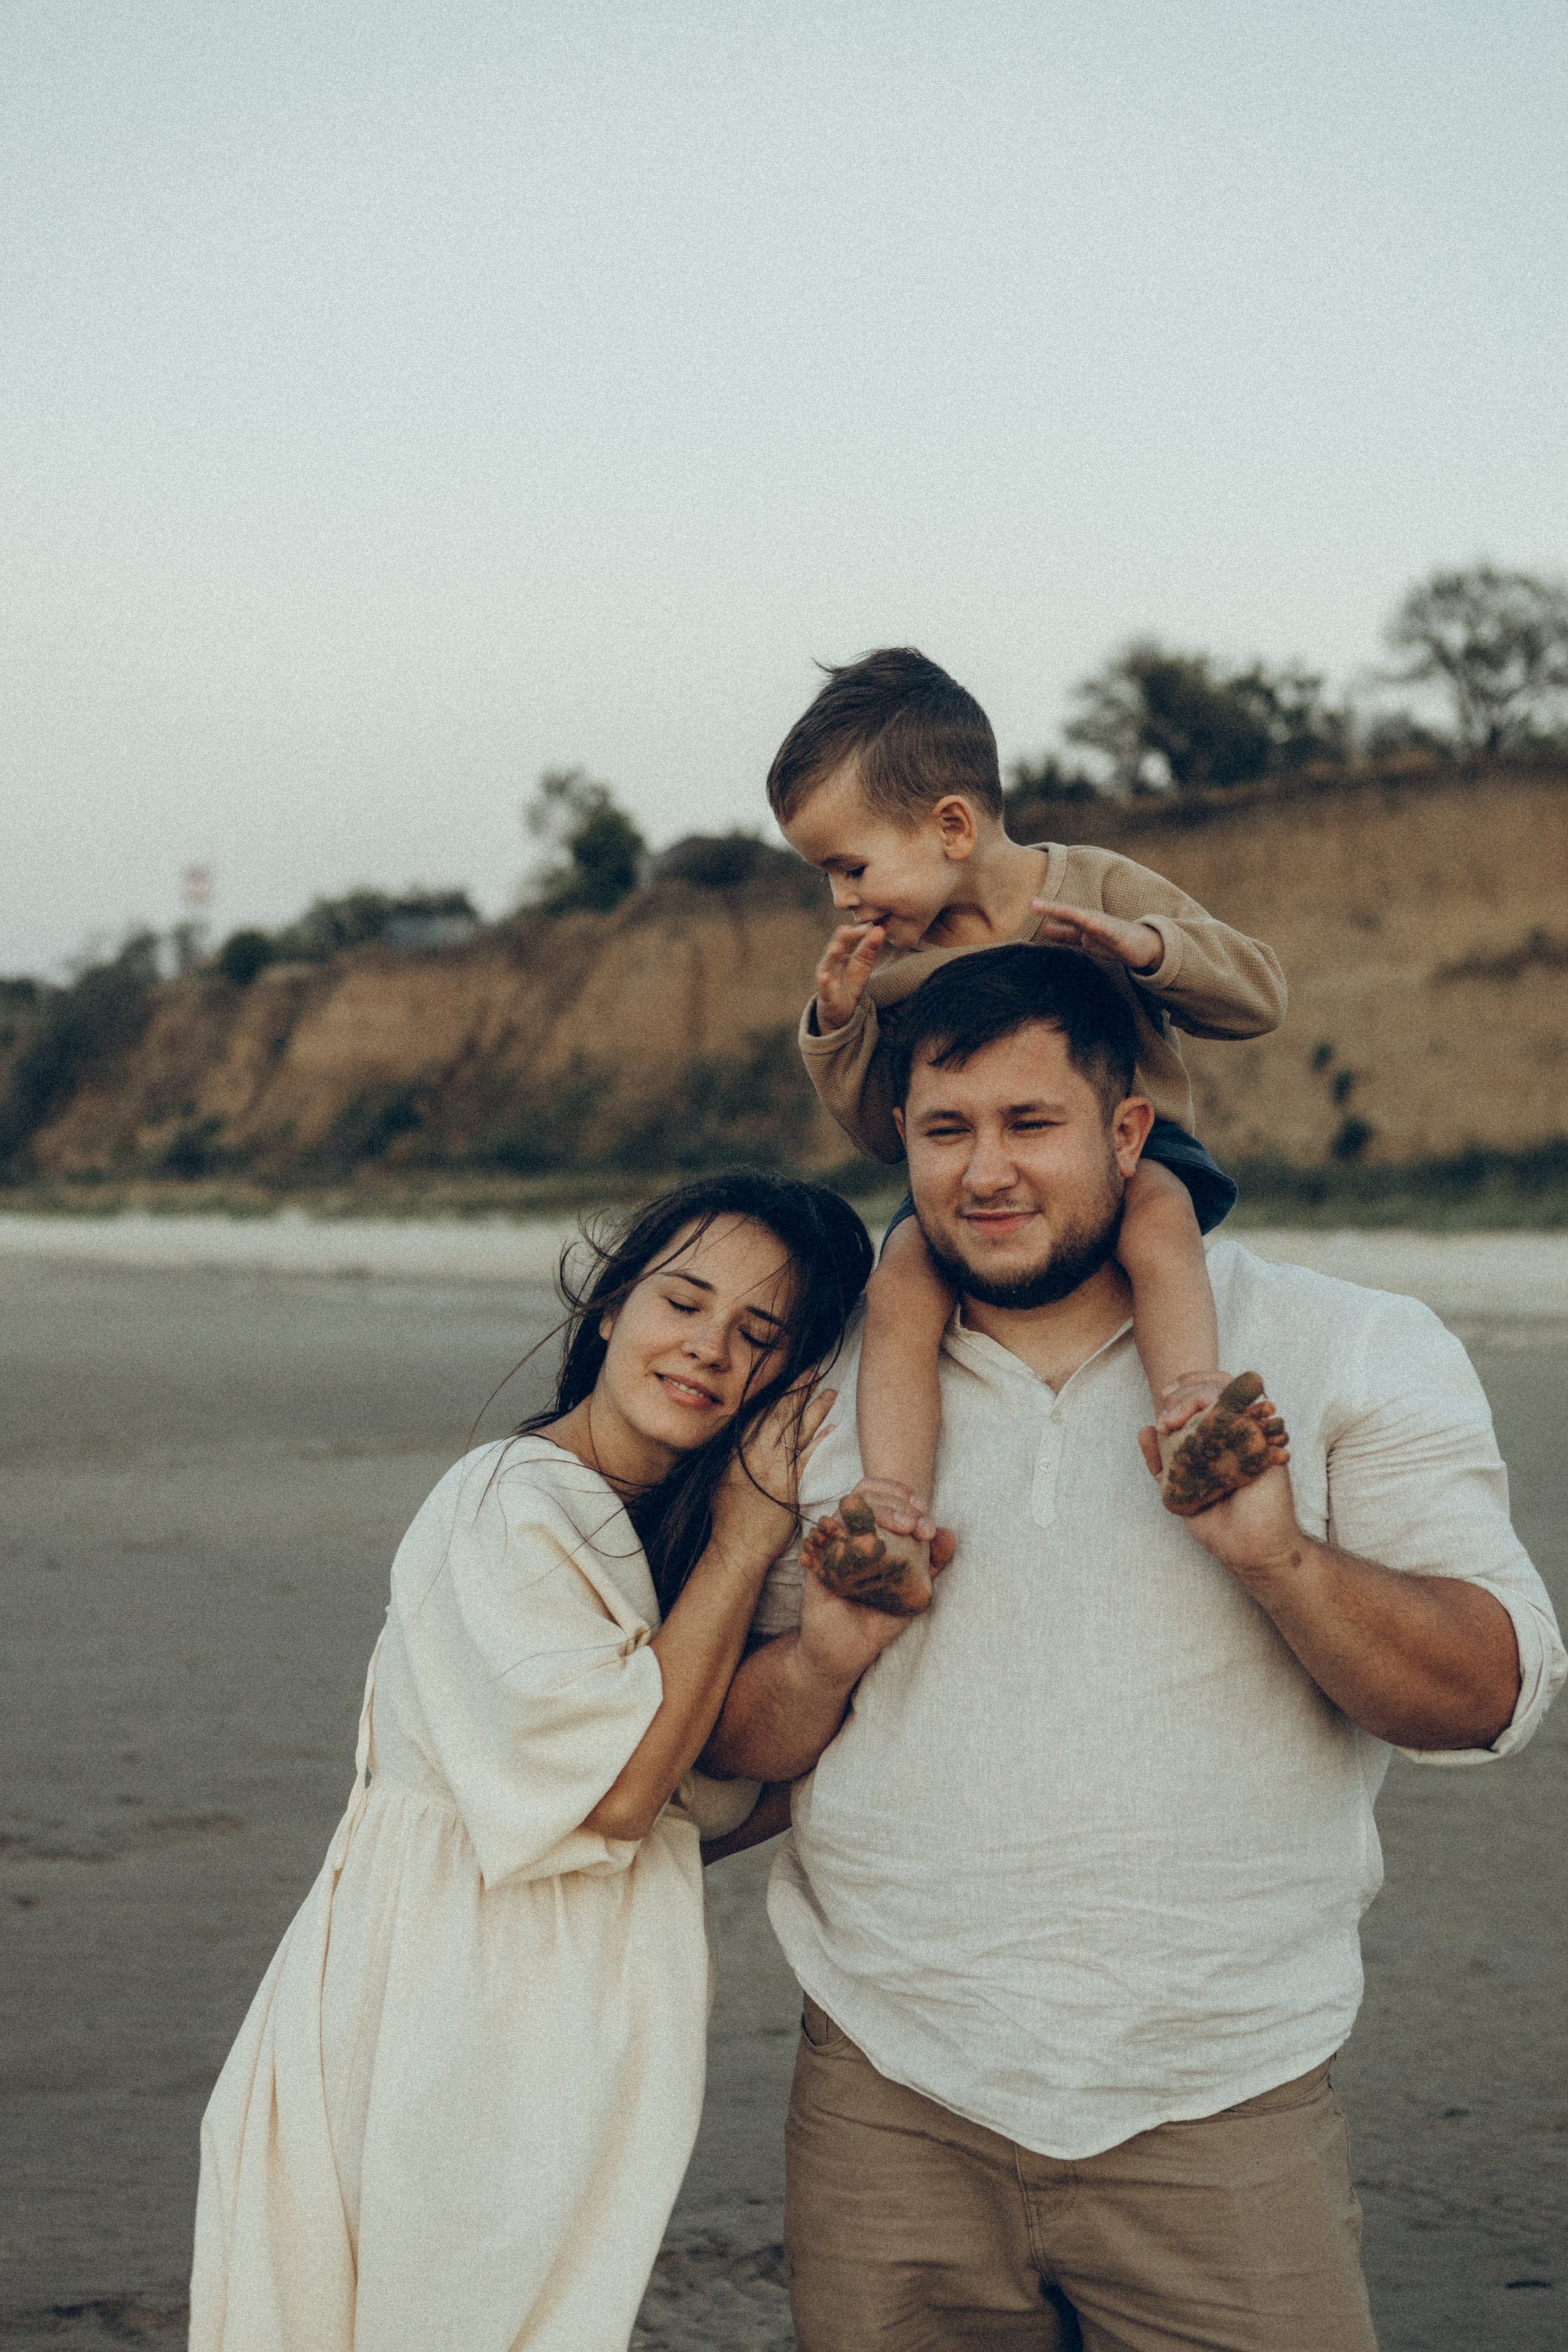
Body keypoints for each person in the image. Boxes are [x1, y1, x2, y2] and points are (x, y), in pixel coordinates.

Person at [704, 948, 1565, 2352]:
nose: (983, 1173)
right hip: (885, 2098)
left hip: (1221, 2107)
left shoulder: (1350, 1345)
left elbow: (1487, 1694)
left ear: (1124, 1132)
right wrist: (823, 1658)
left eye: (1028, 1125)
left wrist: (1275, 1558)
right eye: (945, 1130)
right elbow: (727, 1750)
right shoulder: (817, 1385)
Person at [189, 1170, 872, 2352]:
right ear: (610, 1308)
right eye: (684, 1302)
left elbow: (707, 1807)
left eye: (758, 1336)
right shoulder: (510, 1505)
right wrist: (750, 1534)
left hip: (561, 2023)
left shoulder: (658, 1547)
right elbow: (617, 1800)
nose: (709, 1348)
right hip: (444, 2020)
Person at [767, 646, 1291, 1607]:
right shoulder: (896, 973)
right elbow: (886, 1140)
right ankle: (891, 1514)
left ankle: (1192, 1414)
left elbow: (1257, 996)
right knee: (901, 1289)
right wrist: (842, 1028)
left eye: (850, 865)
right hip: (969, 1180)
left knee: (1158, 1219)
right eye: (827, 877)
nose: (841, 897)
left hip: (1134, 1156)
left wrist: (1149, 950)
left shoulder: (1096, 886)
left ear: (953, 825)